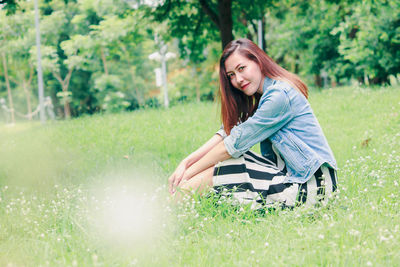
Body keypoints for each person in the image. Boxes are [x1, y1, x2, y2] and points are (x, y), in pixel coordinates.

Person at [168, 38, 337, 208]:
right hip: (295, 178)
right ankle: (176, 206)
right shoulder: (263, 97)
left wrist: (188, 174)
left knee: (228, 164)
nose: (238, 79)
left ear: (258, 61)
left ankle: (171, 210)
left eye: (241, 68)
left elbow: (232, 145)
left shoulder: (279, 95)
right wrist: (186, 162)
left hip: (314, 187)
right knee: (228, 164)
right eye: (231, 75)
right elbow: (227, 133)